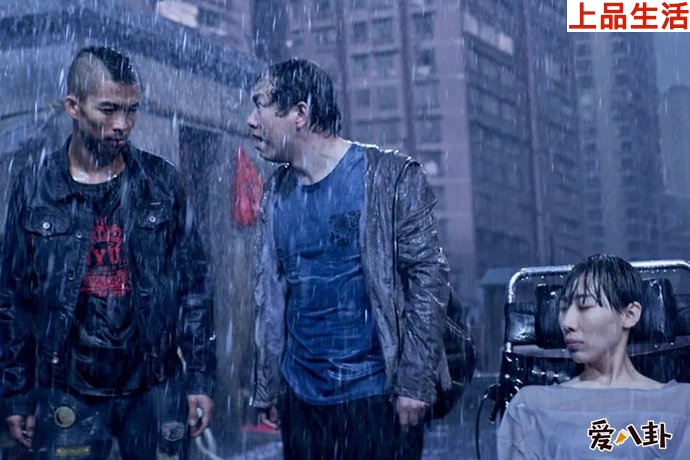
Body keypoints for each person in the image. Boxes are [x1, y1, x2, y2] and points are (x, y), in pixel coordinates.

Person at [0, 46, 216, 460]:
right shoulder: (35, 186)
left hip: (153, 383)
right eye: (109, 109)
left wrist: (201, 378)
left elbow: (195, 286)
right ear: (73, 107)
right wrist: (17, 392)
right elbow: (13, 298)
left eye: (132, 110)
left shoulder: (160, 182)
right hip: (67, 386)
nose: (122, 124)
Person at [247, 57, 452, 460]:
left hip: (377, 397)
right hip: (302, 400)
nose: (251, 121)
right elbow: (269, 299)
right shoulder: (274, 196)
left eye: (260, 106)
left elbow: (429, 281)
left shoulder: (390, 178)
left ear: (300, 114)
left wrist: (415, 380)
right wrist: (269, 387)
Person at [497, 254, 690, 459]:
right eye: (563, 308)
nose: (567, 323)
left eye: (584, 306)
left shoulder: (681, 403)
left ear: (630, 314)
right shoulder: (531, 406)